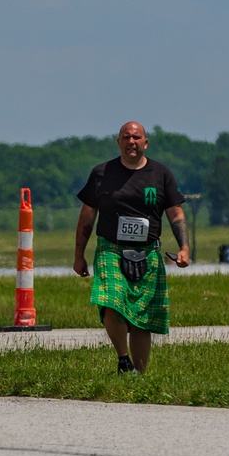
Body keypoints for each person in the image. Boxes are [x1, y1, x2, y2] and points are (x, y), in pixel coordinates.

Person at [73, 121, 190, 374]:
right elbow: (87, 216)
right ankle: (123, 358)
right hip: (110, 249)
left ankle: (138, 375)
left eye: (136, 137)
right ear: (118, 142)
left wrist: (184, 248)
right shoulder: (101, 173)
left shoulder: (161, 174)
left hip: (148, 251)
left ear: (145, 143)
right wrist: (78, 256)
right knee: (110, 300)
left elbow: (175, 214)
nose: (131, 142)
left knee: (141, 318)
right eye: (126, 137)